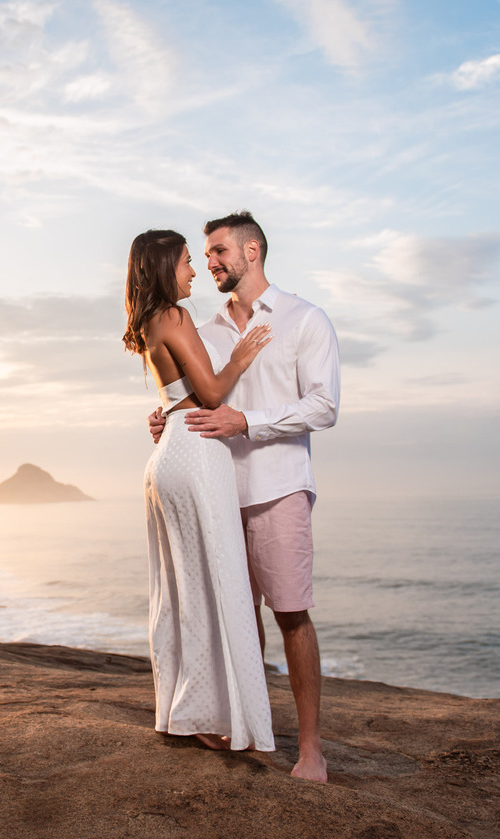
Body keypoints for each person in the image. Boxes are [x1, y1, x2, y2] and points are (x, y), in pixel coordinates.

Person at [149, 211, 340, 782]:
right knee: (234, 616)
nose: (208, 263)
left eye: (218, 252)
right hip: (216, 490)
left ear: (252, 251)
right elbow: (187, 394)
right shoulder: (201, 329)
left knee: (291, 614)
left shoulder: (305, 319)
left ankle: (310, 749)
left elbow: (323, 407)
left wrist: (245, 422)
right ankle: (247, 726)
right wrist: (165, 418)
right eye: (203, 255)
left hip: (279, 488)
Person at [123, 228, 276, 754]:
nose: (194, 271)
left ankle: (181, 710)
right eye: (188, 262)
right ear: (165, 267)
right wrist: (242, 354)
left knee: (181, 587)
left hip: (167, 458)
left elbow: (176, 396)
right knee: (217, 583)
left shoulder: (147, 321)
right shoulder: (175, 316)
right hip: (193, 451)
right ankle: (206, 716)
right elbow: (210, 392)